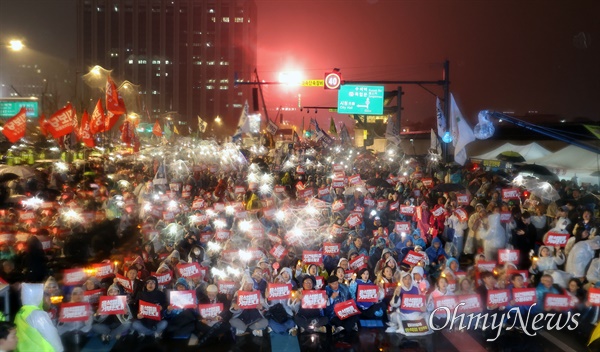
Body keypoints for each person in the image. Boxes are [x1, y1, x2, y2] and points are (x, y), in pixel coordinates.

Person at [15, 283, 63, 352]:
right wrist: (60, 350)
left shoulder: (21, 312)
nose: (50, 301)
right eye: (48, 298)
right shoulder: (37, 314)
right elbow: (51, 335)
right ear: (39, 298)